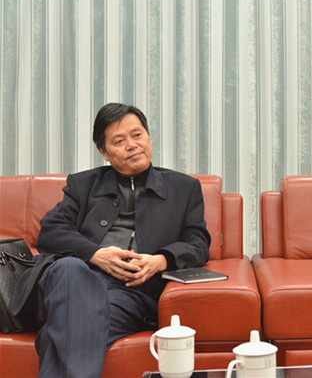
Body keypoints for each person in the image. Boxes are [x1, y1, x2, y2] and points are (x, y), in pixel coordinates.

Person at [10, 103, 211, 377]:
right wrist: (95, 255)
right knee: (70, 268)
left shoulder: (184, 188)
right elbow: (50, 231)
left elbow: (198, 242)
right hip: (70, 282)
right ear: (104, 152)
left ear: (149, 138)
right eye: (119, 141)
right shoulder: (83, 185)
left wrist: (161, 260)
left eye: (137, 135)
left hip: (129, 294)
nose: (132, 145)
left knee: (62, 330)